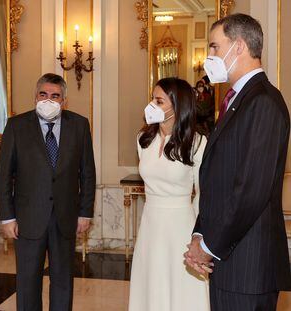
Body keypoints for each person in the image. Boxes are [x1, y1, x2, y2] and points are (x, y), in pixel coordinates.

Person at [184, 13, 291, 311]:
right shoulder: (236, 99)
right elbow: (218, 179)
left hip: (248, 264)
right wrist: (200, 233)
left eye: (215, 47)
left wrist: (209, 247)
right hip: (230, 260)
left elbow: (250, 191)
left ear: (239, 46)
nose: (210, 55)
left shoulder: (264, 102)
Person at [0, 73, 96, 311]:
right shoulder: (16, 126)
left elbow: (88, 173)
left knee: (63, 280)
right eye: (43, 94)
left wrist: (85, 213)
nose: (48, 100)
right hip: (28, 218)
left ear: (64, 101)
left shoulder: (80, 125)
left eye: (55, 96)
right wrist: (7, 217)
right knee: (28, 280)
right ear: (35, 97)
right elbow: (4, 175)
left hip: (66, 217)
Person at [128, 77, 209, 311]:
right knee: (151, 283)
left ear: (177, 105)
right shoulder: (143, 140)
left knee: (181, 287)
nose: (151, 105)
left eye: (158, 100)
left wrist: (198, 236)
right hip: (151, 223)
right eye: (152, 99)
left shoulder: (197, 142)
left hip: (181, 225)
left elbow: (202, 194)